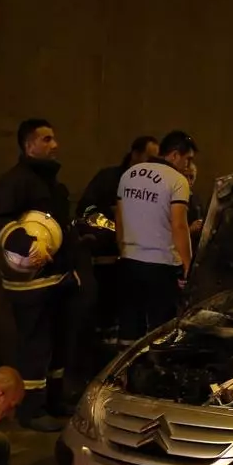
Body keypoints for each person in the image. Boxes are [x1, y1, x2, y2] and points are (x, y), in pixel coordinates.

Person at [0, 118, 86, 432]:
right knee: (35, 346)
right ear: (29, 145)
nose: (54, 145)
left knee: (57, 343)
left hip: (58, 280)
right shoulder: (15, 182)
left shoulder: (51, 184)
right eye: (46, 139)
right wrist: (28, 246)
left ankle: (53, 401)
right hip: (30, 286)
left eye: (53, 139)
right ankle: (31, 409)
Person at [114, 130, 197, 345]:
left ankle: (124, 376)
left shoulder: (129, 174)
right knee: (161, 331)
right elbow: (178, 225)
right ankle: (153, 373)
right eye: (187, 159)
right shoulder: (178, 180)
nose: (187, 166)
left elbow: (119, 217)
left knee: (129, 326)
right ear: (175, 155)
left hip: (130, 261)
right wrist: (188, 265)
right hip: (161, 265)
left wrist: (122, 250)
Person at [76, 136, 160, 345]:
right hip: (107, 265)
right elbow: (86, 212)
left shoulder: (155, 185)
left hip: (139, 266)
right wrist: (113, 221)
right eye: (149, 158)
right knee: (105, 326)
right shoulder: (108, 179)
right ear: (135, 155)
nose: (152, 165)